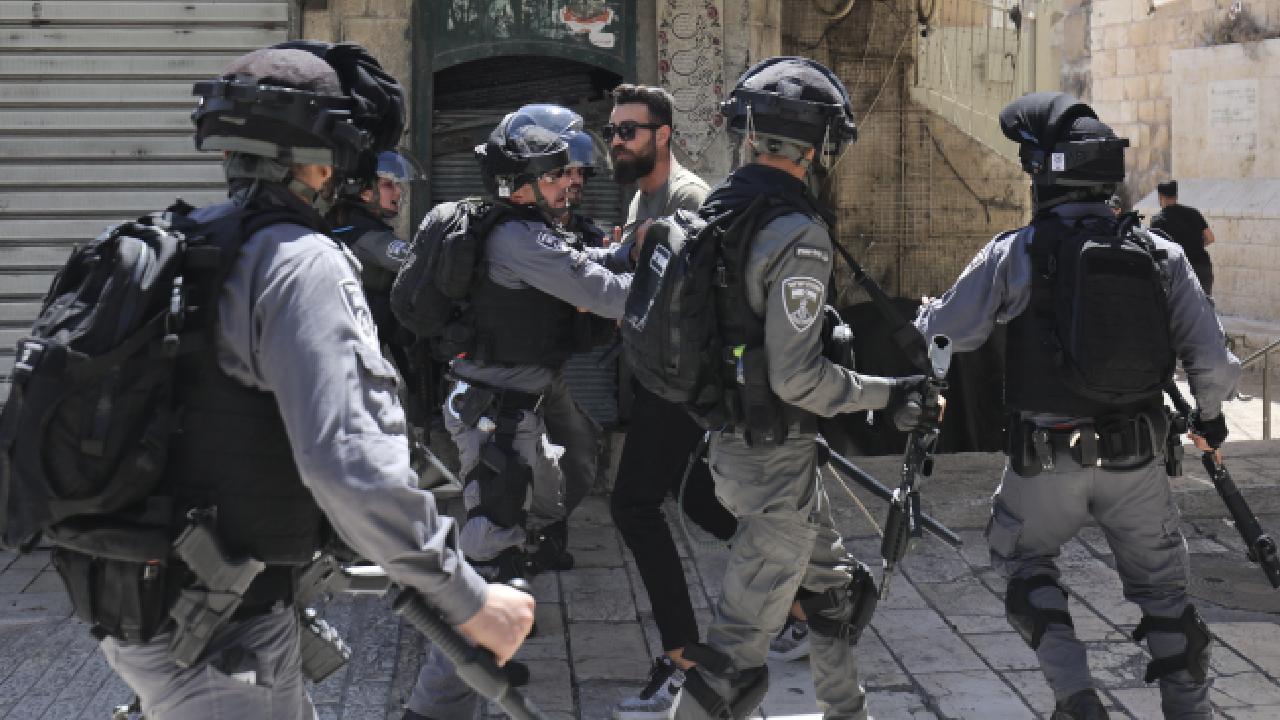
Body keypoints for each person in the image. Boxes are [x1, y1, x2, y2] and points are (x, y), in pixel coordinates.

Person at [94, 44, 534, 719]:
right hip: (218, 635)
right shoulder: (302, 263)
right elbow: (351, 467)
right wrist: (468, 600)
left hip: (142, 606)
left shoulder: (175, 243)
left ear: (226, 150)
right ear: (327, 163)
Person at [916, 92, 1240, 719]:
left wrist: (925, 318)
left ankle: (1077, 698)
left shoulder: (1016, 251)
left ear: (1045, 176)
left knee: (1025, 564)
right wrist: (1211, 417)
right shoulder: (1161, 254)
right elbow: (1215, 364)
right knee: (1165, 596)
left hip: (1044, 464)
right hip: (1138, 464)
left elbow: (947, 335)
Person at [672, 57, 939, 720]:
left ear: (748, 134)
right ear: (818, 149)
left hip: (740, 448)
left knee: (831, 595)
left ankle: (846, 709)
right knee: (734, 663)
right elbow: (797, 376)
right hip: (773, 467)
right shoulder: (798, 235)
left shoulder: (718, 210)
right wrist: (891, 393)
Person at [403, 105, 636, 720]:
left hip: (525, 396)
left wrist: (627, 250)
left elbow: (586, 266)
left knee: (566, 476)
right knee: (490, 539)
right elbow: (605, 294)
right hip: (497, 411)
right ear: (523, 181)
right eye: (558, 175)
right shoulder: (518, 238)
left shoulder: (532, 229)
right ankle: (441, 691)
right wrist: (669, 276)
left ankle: (504, 583)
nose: (572, 184)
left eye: (572, 174)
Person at [602, 84, 740, 720]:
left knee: (633, 505)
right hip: (657, 374)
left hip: (678, 383)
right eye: (612, 131)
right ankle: (806, 598)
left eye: (628, 130)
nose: (617, 141)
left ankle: (684, 660)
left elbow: (696, 302)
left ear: (662, 135)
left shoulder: (689, 198)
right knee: (700, 499)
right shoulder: (642, 197)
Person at [1151, 180, 1216, 295]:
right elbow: (1210, 238)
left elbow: (1158, 252)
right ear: (1176, 196)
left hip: (1180, 274)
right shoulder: (1194, 213)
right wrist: (1195, 245)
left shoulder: (1158, 221)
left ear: (1160, 197)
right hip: (1203, 269)